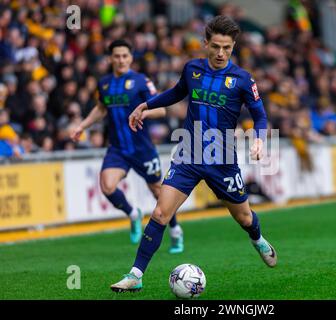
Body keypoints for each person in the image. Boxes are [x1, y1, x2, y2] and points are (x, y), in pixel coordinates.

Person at [110, 16, 277, 293]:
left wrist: (259, 140)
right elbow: (176, 93)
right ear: (205, 44)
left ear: (233, 46)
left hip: (222, 160)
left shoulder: (243, 80)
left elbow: (260, 117)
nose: (221, 53)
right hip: (188, 154)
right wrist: (146, 105)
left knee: (245, 218)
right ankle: (136, 275)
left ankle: (258, 239)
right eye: (215, 47)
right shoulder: (192, 70)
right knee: (161, 212)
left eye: (227, 47)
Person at [70, 39, 184, 253]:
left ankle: (176, 230)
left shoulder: (141, 81)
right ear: (110, 58)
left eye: (125, 56)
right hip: (118, 148)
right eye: (117, 56)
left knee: (159, 192)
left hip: (142, 148)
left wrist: (142, 111)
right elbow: (101, 109)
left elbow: (161, 110)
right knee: (107, 186)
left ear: (131, 58)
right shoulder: (104, 83)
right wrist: (82, 126)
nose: (121, 60)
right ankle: (133, 213)